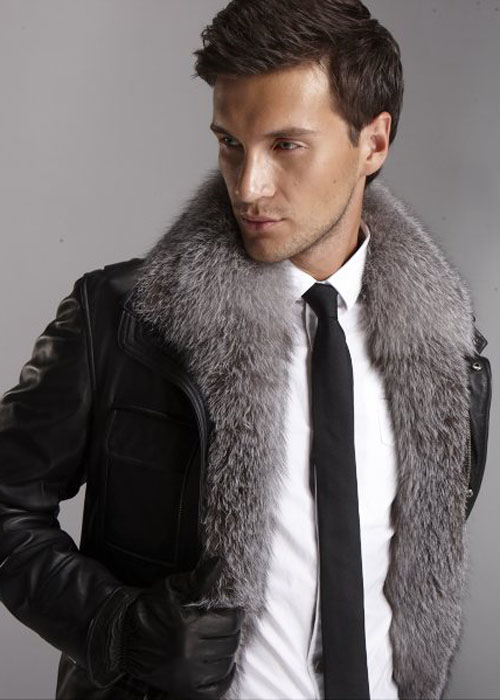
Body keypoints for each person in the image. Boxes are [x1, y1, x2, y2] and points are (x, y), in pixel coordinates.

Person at [0, 0, 492, 698]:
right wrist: (115, 627)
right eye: (231, 143)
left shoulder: (448, 355)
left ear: (373, 144)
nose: (248, 185)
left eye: (285, 145)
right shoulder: (123, 322)